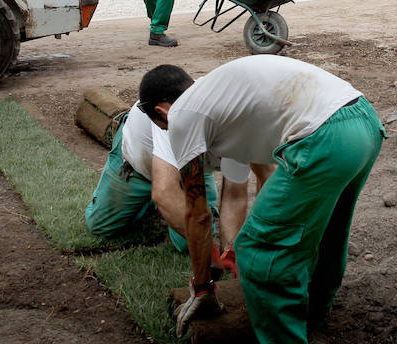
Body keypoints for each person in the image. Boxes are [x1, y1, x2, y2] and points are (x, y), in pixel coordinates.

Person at [137, 58, 386, 343]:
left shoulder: (181, 114)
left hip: (325, 137)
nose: (169, 132)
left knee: (257, 250)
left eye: (163, 127)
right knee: (328, 231)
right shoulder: (220, 98)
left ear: (162, 111)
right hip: (363, 121)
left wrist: (202, 287)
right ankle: (314, 313)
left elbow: (198, 214)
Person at [85, 101, 272, 257]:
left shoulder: (241, 132)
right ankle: (150, 202)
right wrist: (212, 257)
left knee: (188, 244)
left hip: (191, 169)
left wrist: (229, 251)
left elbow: (236, 195)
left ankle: (164, 203)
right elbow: (164, 191)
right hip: (138, 163)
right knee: (101, 226)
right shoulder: (175, 120)